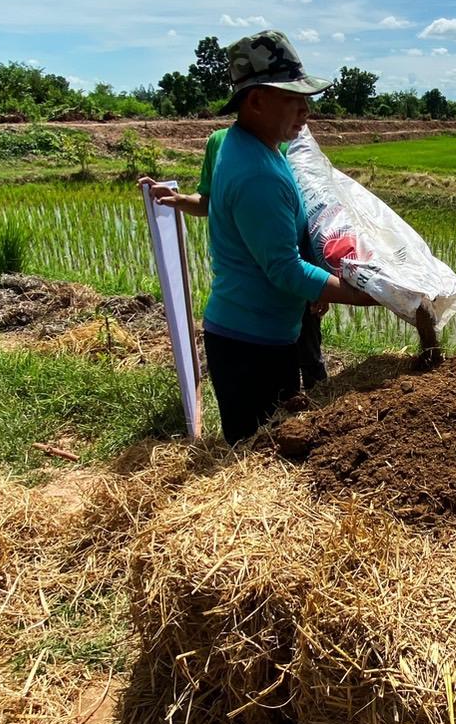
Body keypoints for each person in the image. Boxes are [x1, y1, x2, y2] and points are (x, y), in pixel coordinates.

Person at [144, 31, 372, 443]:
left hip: (252, 336)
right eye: (292, 97)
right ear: (256, 101)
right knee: (257, 453)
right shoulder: (258, 174)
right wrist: (360, 294)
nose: (305, 109)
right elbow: (284, 269)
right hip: (253, 346)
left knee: (265, 447)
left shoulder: (251, 146)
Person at [141, 115, 327, 388]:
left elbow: (309, 217)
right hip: (249, 284)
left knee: (308, 353)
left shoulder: (289, 144)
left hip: (294, 272)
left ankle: (319, 412)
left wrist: (319, 283)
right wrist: (178, 200)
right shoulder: (219, 142)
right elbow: (210, 202)